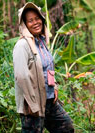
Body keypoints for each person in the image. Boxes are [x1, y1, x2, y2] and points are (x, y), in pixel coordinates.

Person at [13, 2, 74, 133]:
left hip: (49, 100)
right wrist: (33, 104)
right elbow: (22, 77)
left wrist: (54, 86)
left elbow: (48, 67)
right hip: (32, 106)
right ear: (24, 25)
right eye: (30, 20)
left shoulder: (41, 42)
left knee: (66, 127)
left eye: (37, 18)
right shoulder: (22, 45)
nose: (35, 22)